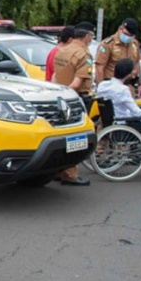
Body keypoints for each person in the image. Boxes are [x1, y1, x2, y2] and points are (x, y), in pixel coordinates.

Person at [52, 27, 94, 186]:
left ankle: (57, 170)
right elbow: (78, 82)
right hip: (76, 97)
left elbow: (55, 76)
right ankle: (70, 174)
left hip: (60, 95)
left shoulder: (61, 50)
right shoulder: (84, 54)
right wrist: (69, 95)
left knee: (60, 136)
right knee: (76, 137)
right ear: (87, 36)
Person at [95, 18, 141, 89]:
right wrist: (101, 88)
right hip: (112, 85)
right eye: (126, 34)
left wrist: (140, 84)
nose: (128, 37)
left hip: (129, 85)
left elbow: (137, 64)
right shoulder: (108, 44)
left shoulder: (134, 44)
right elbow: (99, 68)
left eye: (131, 36)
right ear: (120, 28)